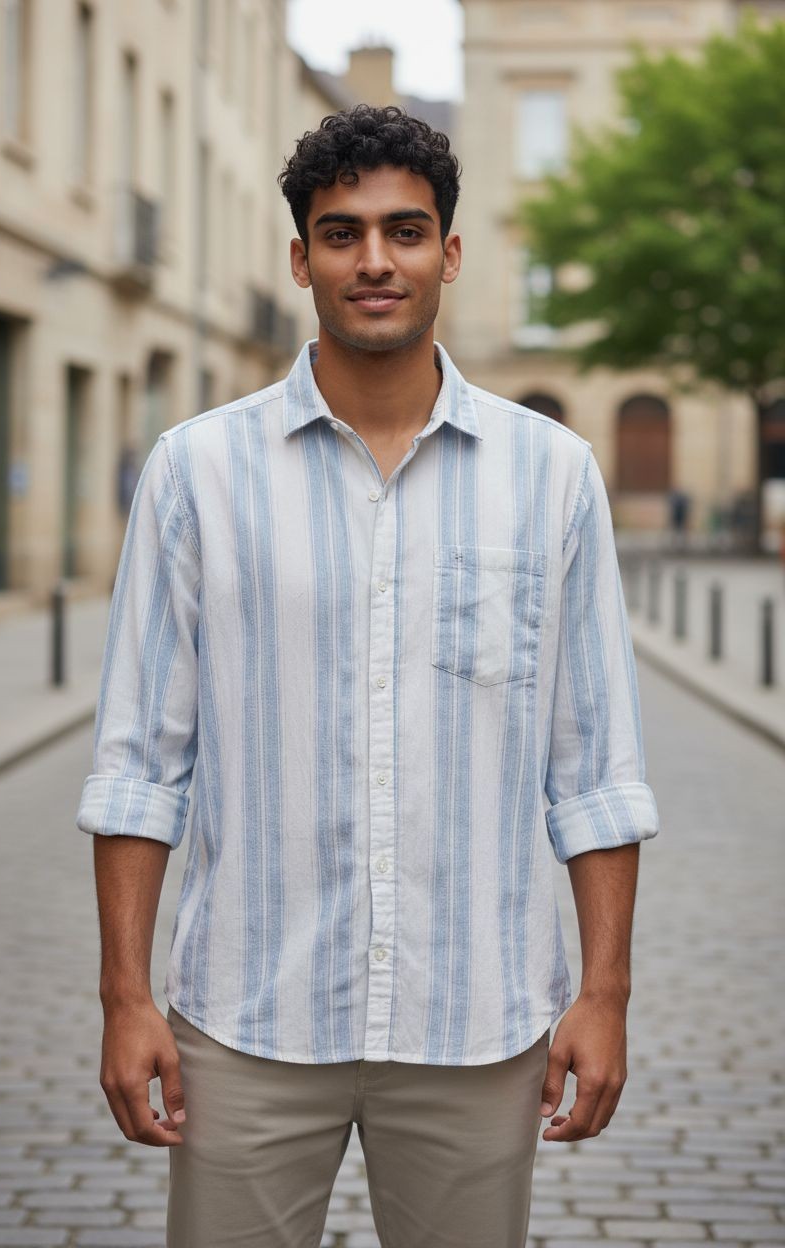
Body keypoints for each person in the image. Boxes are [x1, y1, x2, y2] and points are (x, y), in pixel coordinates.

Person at [76, 104, 660, 1248]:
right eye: (341, 234)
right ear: (300, 260)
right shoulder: (196, 472)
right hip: (246, 1020)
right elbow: (143, 761)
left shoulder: (552, 476)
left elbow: (593, 765)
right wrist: (124, 997)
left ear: (448, 252)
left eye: (404, 230)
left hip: (478, 1024)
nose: (375, 261)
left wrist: (604, 992)